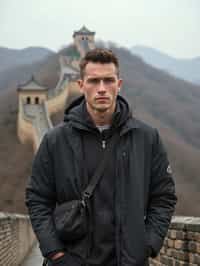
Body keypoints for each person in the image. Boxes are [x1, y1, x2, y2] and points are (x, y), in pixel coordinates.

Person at [26, 48, 177, 266]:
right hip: (72, 260)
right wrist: (56, 254)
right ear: (81, 85)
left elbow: (164, 197)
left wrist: (148, 245)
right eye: (94, 81)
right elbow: (37, 199)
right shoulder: (55, 140)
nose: (102, 89)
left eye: (109, 80)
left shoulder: (146, 138)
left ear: (119, 84)